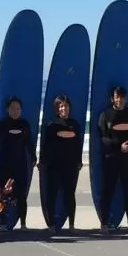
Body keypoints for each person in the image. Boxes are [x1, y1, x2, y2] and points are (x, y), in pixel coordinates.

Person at [97, 86, 128, 233]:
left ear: (126, 99)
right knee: (107, 191)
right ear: (112, 99)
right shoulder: (106, 115)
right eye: (117, 97)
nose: (119, 99)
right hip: (111, 159)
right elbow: (103, 138)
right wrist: (118, 146)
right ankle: (103, 224)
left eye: (122, 97)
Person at [39, 94, 83, 235]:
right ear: (57, 109)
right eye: (61, 106)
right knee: (51, 195)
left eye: (66, 106)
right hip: (54, 165)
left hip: (69, 165)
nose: (64, 108)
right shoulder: (51, 125)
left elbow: (78, 145)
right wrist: (42, 162)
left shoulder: (75, 125)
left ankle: (71, 224)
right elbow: (45, 146)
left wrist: (79, 161)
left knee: (69, 194)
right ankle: (51, 224)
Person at [0, 96, 35, 230]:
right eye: (12, 108)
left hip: (20, 164)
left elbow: (29, 144)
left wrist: (33, 158)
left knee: (21, 193)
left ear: (21, 110)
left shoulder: (24, 124)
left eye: (18, 108)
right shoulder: (2, 124)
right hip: (5, 164)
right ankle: (3, 221)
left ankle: (23, 223)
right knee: (3, 193)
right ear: (7, 110)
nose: (15, 111)